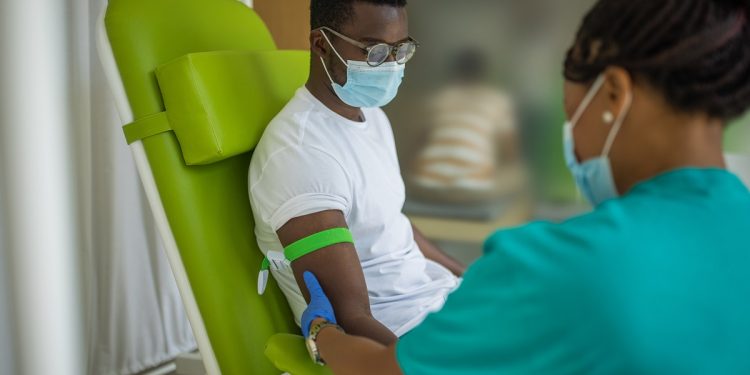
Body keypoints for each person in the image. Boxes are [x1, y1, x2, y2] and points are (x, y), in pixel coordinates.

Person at [297, 0, 750, 373]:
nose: (573, 138)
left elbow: (384, 370)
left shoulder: (555, 267)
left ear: (613, 95)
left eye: (571, 115)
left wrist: (323, 332)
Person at [247, 0, 464, 346]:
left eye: (401, 49)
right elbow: (352, 320)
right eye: (376, 51)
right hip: (407, 332)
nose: (392, 65)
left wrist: (468, 277)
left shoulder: (371, 115)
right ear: (322, 44)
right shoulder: (301, 155)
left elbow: (391, 224)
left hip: (442, 303)